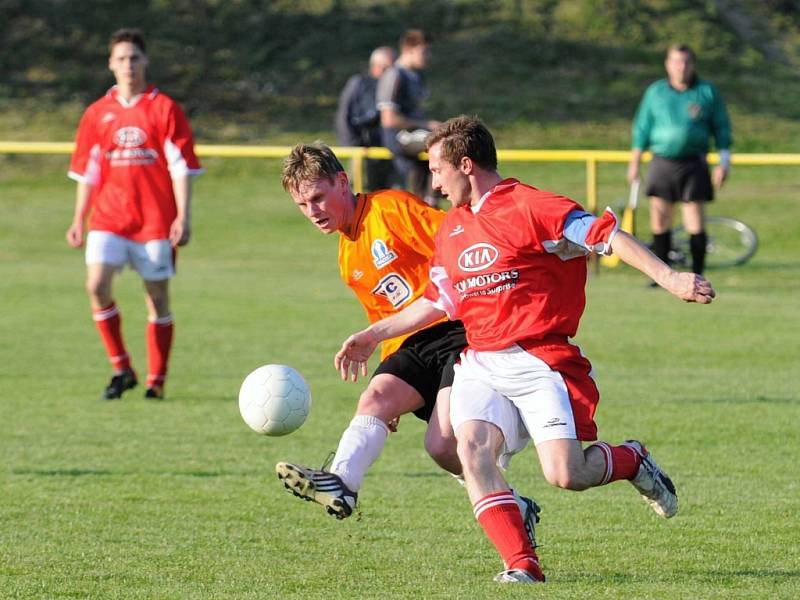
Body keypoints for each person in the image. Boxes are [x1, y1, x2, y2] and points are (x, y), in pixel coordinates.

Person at [335, 115, 716, 584]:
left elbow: (606, 236)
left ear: (467, 165)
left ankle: (632, 459)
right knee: (469, 448)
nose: (431, 180)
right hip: (480, 360)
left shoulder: (532, 207)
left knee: (566, 474)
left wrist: (672, 278)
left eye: (437, 169)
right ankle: (522, 565)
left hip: (539, 360)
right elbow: (439, 301)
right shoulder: (452, 227)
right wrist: (374, 335)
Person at [274, 143, 540, 544]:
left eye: (318, 197)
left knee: (441, 444)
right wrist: (392, 383)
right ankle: (342, 483)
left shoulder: (390, 210)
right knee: (375, 400)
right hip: (411, 344)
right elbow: (386, 318)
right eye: (302, 204)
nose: (313, 211)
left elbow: (457, 239)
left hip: (456, 328)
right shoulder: (348, 256)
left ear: (342, 183)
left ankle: (515, 511)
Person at [66, 28, 203, 401]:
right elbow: (88, 172)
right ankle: (121, 366)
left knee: (156, 299)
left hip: (155, 221)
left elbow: (181, 168)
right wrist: (79, 219)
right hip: (109, 218)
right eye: (121, 58)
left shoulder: (165, 109)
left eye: (134, 58)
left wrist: (182, 217)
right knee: (96, 286)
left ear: (145, 62)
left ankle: (155, 381)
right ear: (111, 64)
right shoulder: (97, 113)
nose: (128, 64)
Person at [627, 43, 733, 276]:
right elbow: (642, 127)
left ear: (693, 64)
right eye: (676, 61)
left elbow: (722, 127)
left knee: (694, 218)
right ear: (667, 64)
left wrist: (724, 161)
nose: (681, 67)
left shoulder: (706, 92)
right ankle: (662, 275)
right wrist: (635, 161)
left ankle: (698, 273)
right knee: (660, 218)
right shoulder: (656, 92)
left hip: (693, 162)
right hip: (662, 160)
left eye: (685, 62)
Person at [376, 29, 441, 205]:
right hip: (399, 136)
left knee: (447, 138)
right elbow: (388, 119)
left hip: (415, 134)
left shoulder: (416, 76)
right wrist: (426, 124)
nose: (428, 56)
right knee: (440, 143)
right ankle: (436, 195)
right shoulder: (394, 75)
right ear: (410, 49)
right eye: (424, 51)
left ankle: (431, 200)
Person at [335, 46, 397, 191]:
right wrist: (353, 146)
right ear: (376, 67)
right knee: (361, 193)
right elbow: (344, 116)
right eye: (389, 68)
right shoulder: (358, 84)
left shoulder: (396, 86)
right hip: (363, 151)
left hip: (390, 151)